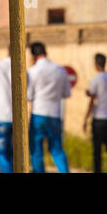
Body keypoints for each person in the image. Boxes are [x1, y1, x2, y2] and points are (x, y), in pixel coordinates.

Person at [26, 41, 71, 173]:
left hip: (38, 114)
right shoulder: (60, 70)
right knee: (57, 150)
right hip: (55, 114)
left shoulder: (33, 71)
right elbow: (66, 93)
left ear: (33, 55)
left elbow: (28, 96)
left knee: (36, 150)